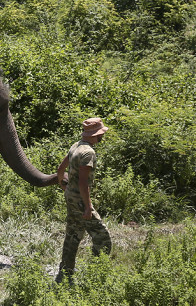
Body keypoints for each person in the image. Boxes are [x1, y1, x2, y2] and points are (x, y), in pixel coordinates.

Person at [55, 117, 112, 283]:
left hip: (70, 197)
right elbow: (83, 182)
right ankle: (96, 276)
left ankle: (64, 274)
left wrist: (62, 183)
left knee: (73, 234)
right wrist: (87, 207)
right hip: (80, 200)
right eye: (101, 133)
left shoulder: (76, 145)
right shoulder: (88, 153)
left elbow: (60, 169)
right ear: (95, 134)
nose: (103, 135)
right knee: (103, 238)